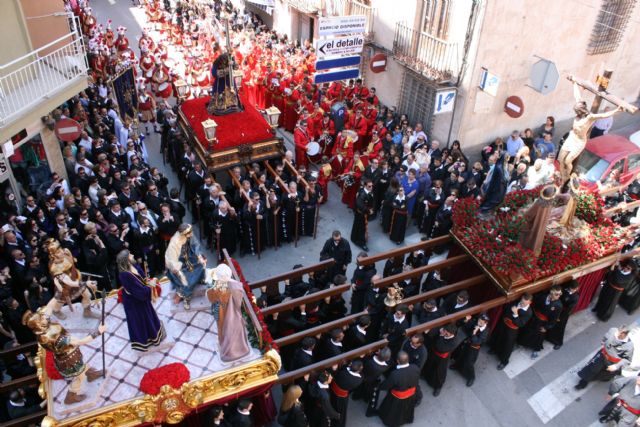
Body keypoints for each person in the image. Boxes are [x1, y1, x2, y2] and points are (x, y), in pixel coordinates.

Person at [24, 308, 106, 404]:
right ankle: (70, 396)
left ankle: (91, 375)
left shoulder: (47, 329)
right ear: (39, 325)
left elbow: (66, 334)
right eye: (42, 318)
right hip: (68, 361)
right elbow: (79, 342)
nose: (45, 317)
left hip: (69, 355)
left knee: (81, 367)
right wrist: (99, 332)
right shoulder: (50, 338)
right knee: (79, 377)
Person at [557, 80, 623, 187]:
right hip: (572, 137)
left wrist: (617, 110)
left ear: (581, 111)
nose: (576, 113)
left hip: (579, 141)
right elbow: (577, 96)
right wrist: (574, 84)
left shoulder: (590, 117)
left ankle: (567, 176)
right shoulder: (579, 109)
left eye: (577, 112)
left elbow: (604, 116)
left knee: (568, 160)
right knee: (561, 158)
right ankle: (562, 175)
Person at [116, 250, 165, 351]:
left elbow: (143, 277)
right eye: (130, 254)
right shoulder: (124, 276)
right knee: (140, 321)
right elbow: (139, 292)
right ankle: (145, 341)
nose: (133, 254)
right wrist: (150, 287)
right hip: (134, 302)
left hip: (140, 297)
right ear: (126, 260)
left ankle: (154, 334)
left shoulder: (135, 265)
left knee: (149, 316)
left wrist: (148, 282)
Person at [206, 264, 251, 362]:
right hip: (227, 311)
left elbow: (211, 297)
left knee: (227, 330)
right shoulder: (233, 285)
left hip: (225, 311)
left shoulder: (222, 287)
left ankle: (231, 351)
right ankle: (236, 349)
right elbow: (238, 300)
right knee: (230, 329)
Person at [575, 325, 634, 390]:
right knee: (593, 368)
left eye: (620, 335)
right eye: (617, 333)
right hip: (603, 355)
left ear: (625, 334)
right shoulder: (613, 330)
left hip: (612, 362)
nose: (616, 336)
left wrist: (616, 366)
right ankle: (584, 381)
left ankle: (608, 376)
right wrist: (603, 342)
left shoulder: (629, 346)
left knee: (605, 374)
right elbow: (605, 337)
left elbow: (627, 360)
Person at [165, 224, 206, 310]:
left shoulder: (190, 233)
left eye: (191, 232)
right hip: (180, 264)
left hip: (191, 258)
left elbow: (196, 245)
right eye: (188, 233)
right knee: (187, 281)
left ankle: (200, 279)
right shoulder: (174, 243)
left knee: (202, 265)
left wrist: (199, 256)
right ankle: (186, 298)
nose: (191, 234)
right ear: (182, 234)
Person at [517, 286, 563, 359]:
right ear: (551, 293)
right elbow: (535, 304)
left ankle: (536, 350)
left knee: (539, 337)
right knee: (528, 331)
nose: (559, 296)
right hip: (534, 317)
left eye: (560, 294)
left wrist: (546, 327)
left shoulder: (558, 305)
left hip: (543, 322)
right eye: (557, 294)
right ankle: (523, 343)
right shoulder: (543, 297)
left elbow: (554, 319)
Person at [491, 293, 533, 370]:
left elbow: (521, 324)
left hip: (512, 329)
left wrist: (516, 314)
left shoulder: (528, 312)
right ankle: (495, 349)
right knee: (499, 337)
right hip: (504, 323)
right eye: (521, 301)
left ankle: (504, 361)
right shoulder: (517, 302)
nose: (522, 304)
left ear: (530, 302)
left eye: (524, 303)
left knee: (507, 345)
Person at [377, 351, 420, 426]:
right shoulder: (415, 367)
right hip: (411, 394)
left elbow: (386, 385)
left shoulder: (395, 374)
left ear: (397, 361)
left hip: (397, 397)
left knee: (393, 411)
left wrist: (379, 386)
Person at [452, 313, 489, 387]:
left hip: (474, 348)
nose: (479, 322)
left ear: (485, 323)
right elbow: (467, 327)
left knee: (469, 363)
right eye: (479, 320)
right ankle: (457, 366)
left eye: (482, 321)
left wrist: (474, 334)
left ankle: (471, 377)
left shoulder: (485, 331)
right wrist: (466, 321)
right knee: (461, 354)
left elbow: (477, 342)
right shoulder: (476, 323)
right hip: (467, 343)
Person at [423, 323, 458, 396]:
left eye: (446, 332)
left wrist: (441, 336)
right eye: (445, 330)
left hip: (442, 359)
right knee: (430, 365)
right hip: (434, 354)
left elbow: (441, 348)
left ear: (451, 333)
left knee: (439, 372)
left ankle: (438, 386)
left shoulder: (453, 341)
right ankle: (426, 376)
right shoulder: (443, 333)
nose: (445, 332)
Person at [547, 280, 580, 350]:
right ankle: (549, 337)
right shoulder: (565, 289)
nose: (573, 290)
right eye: (572, 289)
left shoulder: (575, 297)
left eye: (575, 289)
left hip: (563, 314)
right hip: (556, 309)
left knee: (559, 328)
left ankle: (558, 342)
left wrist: (559, 316)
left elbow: (568, 309)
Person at [329, 360, 364, 427]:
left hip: (333, 390)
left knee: (333, 403)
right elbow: (362, 375)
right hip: (342, 396)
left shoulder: (343, 370)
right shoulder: (358, 379)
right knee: (341, 411)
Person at [351, 179, 374, 251]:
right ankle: (361, 242)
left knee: (358, 226)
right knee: (362, 228)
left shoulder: (368, 191)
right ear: (365, 186)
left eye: (372, 186)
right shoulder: (362, 194)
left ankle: (354, 237)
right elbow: (360, 205)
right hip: (361, 214)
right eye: (369, 186)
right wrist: (369, 211)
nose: (371, 187)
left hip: (363, 213)